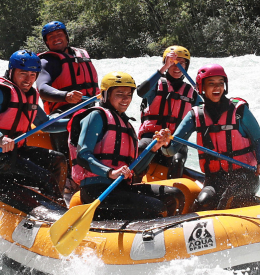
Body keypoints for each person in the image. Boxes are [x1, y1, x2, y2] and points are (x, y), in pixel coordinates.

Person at [70, 72, 185, 221]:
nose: (126, 99)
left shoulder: (126, 124)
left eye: (129, 94)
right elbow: (83, 155)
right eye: (119, 94)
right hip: (97, 191)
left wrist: (154, 148)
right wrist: (110, 172)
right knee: (155, 206)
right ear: (105, 95)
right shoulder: (96, 116)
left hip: (121, 189)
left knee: (174, 195)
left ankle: (171, 237)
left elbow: (135, 169)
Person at [0, 50, 67, 204]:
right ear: (11, 71)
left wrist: (75, 122)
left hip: (14, 152)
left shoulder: (28, 96)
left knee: (57, 159)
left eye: (33, 75)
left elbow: (46, 125)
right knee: (46, 177)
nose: (28, 80)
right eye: (23, 74)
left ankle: (50, 201)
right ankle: (55, 211)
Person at [169, 64, 260, 211]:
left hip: (245, 176)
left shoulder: (239, 111)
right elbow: (170, 150)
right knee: (202, 203)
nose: (217, 88)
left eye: (220, 83)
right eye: (211, 84)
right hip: (214, 179)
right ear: (202, 87)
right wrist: (164, 141)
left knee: (227, 201)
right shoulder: (195, 115)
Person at [36, 20, 99, 171]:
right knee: (62, 127)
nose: (56, 38)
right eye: (51, 37)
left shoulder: (81, 55)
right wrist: (66, 96)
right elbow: (42, 88)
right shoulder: (47, 61)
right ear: (46, 42)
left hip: (89, 108)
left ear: (66, 37)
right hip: (63, 110)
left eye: (59, 34)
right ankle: (66, 175)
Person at [136, 45, 201, 179]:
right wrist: (163, 68)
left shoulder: (192, 92)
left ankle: (172, 193)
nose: (177, 67)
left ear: (186, 66)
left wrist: (206, 93)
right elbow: (141, 92)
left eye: (181, 63)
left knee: (177, 161)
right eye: (173, 63)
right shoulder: (156, 84)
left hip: (174, 141)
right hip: (151, 137)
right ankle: (132, 185)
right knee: (140, 149)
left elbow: (206, 113)